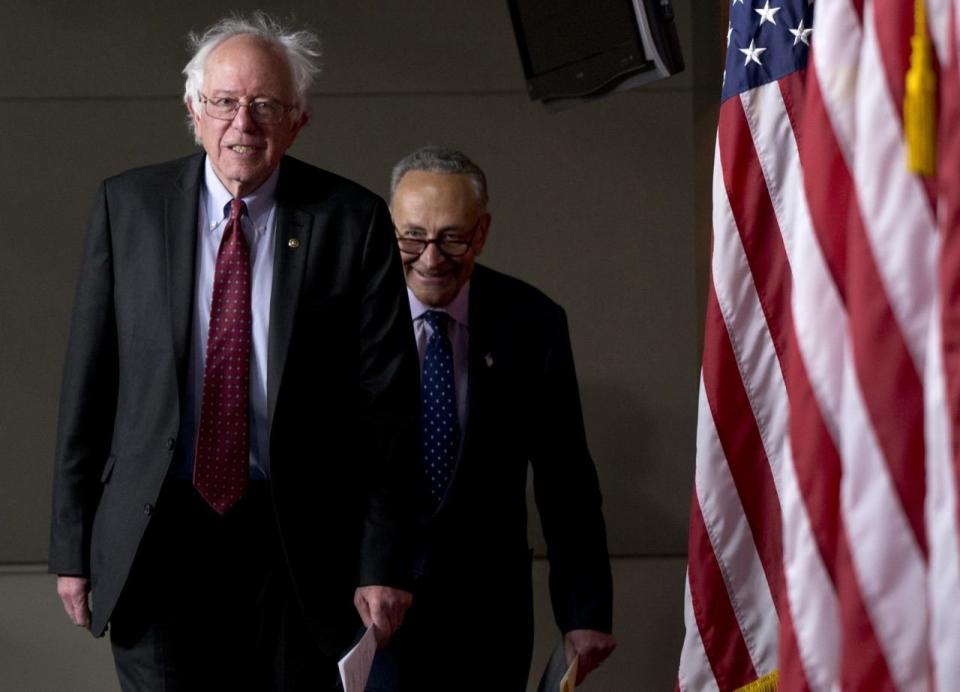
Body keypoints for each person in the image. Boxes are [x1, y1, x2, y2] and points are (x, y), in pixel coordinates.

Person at [48, 13, 420, 691]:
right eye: (223, 102)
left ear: (297, 119)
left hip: (296, 542)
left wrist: (382, 558)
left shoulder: (352, 221)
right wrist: (71, 547)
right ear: (193, 112)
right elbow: (89, 385)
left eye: (265, 105)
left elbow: (388, 415)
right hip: (157, 533)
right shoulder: (127, 207)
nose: (242, 123)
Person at [369, 146, 616, 691]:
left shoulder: (532, 323)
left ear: (481, 234)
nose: (431, 258)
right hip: (369, 609)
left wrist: (585, 611)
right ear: (389, 228)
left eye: (452, 237)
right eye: (413, 236)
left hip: (487, 616)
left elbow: (566, 476)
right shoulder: (347, 316)